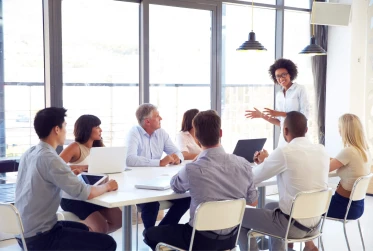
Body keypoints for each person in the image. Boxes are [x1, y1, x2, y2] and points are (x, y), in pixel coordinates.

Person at [144, 110, 258, 250]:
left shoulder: (192, 169)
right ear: (220, 133)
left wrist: (194, 162)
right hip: (230, 239)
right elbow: (253, 201)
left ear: (196, 137)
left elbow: (176, 186)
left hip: (199, 241)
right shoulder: (244, 164)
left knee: (149, 234)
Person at [15, 107, 117, 251]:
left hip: (24, 232)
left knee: (84, 229)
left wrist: (68, 171)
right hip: (41, 237)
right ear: (57, 129)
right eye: (64, 126)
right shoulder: (51, 159)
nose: (65, 131)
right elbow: (85, 193)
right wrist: (108, 186)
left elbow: (43, 175)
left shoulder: (30, 152)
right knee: (108, 243)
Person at [238, 111, 329, 251]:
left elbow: (252, 178)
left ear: (285, 130)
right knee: (270, 207)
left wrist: (264, 163)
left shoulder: (284, 151)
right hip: (315, 225)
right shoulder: (322, 150)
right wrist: (268, 161)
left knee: (237, 216)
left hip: (292, 226)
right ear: (306, 130)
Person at [305, 113, 372, 251]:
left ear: (345, 129)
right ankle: (308, 245)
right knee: (311, 204)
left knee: (306, 208)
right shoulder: (363, 151)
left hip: (342, 206)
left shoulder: (349, 151)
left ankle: (308, 245)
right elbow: (336, 164)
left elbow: (325, 168)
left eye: (339, 127)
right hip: (356, 207)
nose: (338, 130)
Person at [126, 103, 191, 231]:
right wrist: (159, 162)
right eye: (157, 116)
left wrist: (178, 158)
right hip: (139, 184)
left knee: (186, 198)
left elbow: (177, 152)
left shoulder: (161, 133)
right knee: (151, 204)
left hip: (159, 181)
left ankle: (160, 231)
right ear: (147, 121)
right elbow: (129, 159)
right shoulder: (134, 133)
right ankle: (150, 234)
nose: (161, 118)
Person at [59, 115, 122, 234]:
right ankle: (93, 239)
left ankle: (93, 239)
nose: (101, 130)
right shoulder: (75, 147)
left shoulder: (99, 148)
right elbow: (55, 167)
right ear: (87, 129)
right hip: (75, 197)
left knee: (119, 221)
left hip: (95, 194)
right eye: (97, 126)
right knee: (101, 228)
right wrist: (79, 167)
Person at [245, 58, 310, 147]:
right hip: (284, 137)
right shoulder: (279, 95)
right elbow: (280, 122)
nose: (281, 78)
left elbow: (304, 116)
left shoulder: (299, 89)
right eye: (278, 76)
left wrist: (280, 113)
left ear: (290, 74)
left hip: (298, 137)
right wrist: (262, 115)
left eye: (284, 74)